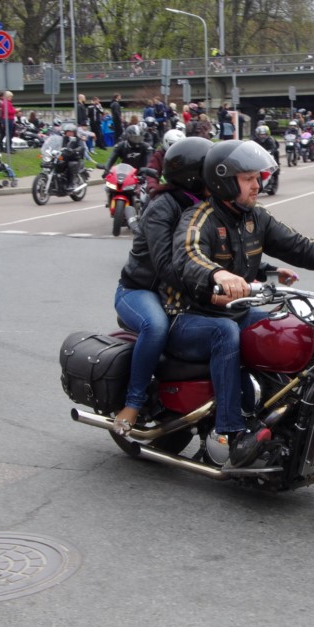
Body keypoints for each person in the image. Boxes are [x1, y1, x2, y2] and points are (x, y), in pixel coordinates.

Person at [168, 140, 314, 467]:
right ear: (224, 182)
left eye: (257, 177)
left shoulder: (255, 217)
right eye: (248, 178)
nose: (257, 184)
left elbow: (299, 246)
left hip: (236, 311)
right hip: (190, 317)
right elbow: (188, 256)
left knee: (293, 330)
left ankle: (283, 418)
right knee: (225, 333)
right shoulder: (200, 218)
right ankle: (232, 433)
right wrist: (218, 274)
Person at [110, 137, 214, 434]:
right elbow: (164, 265)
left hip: (177, 293)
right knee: (155, 326)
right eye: (210, 171)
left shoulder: (204, 206)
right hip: (139, 290)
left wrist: (262, 272)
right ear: (194, 176)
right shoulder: (163, 207)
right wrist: (208, 286)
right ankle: (133, 403)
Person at [144, 126, 186, 199]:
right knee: (147, 202)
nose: (177, 148)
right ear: (166, 142)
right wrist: (152, 187)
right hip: (163, 191)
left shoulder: (186, 157)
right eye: (173, 145)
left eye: (181, 146)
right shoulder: (159, 155)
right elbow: (152, 171)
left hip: (185, 190)